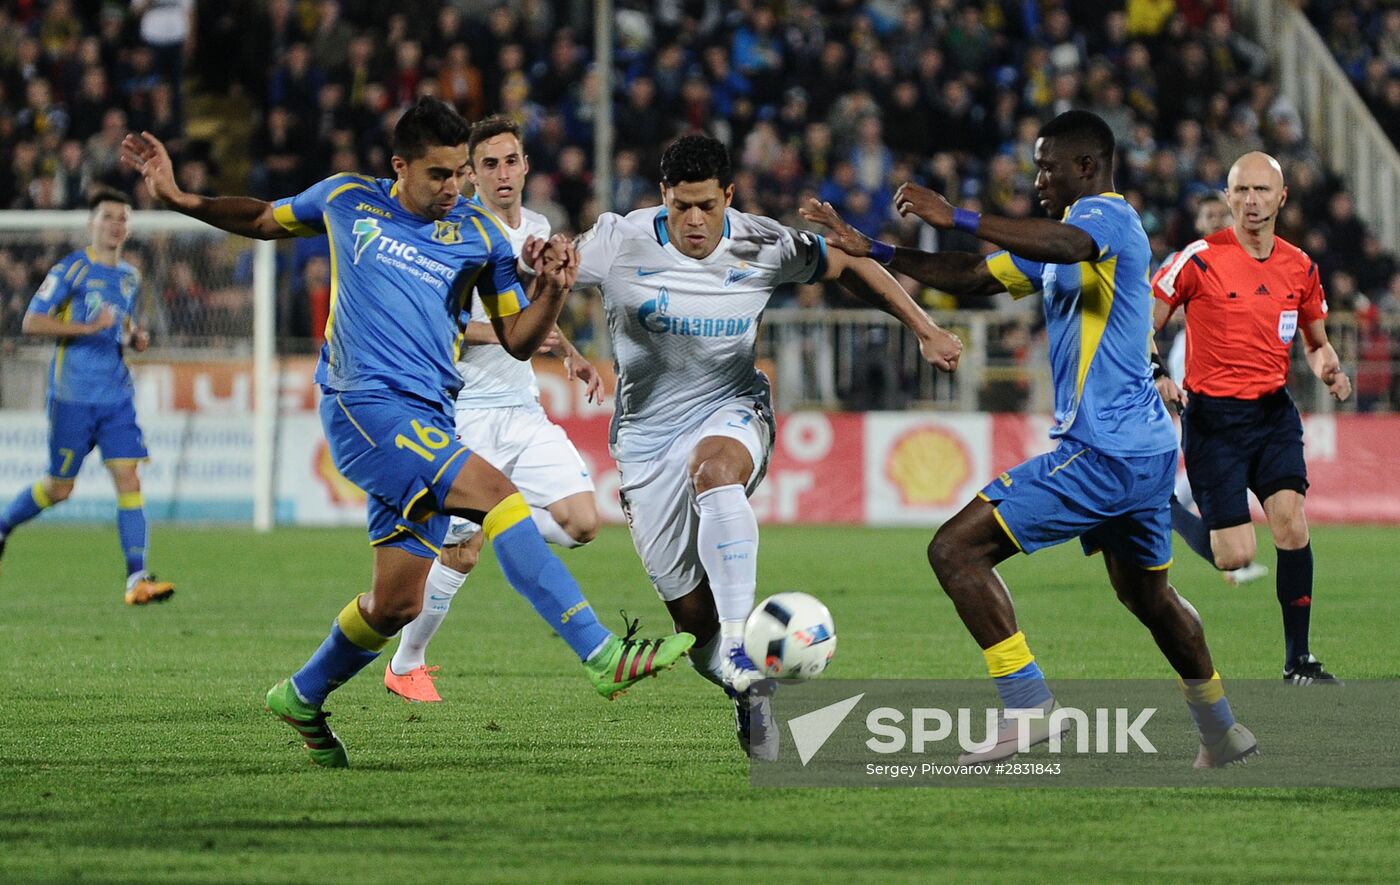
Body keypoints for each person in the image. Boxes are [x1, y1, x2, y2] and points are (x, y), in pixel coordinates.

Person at [119, 98, 694, 769]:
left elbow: (516, 338)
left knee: (395, 602)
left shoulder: (478, 233)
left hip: (428, 417)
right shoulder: (347, 200)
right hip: (363, 406)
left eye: (459, 173)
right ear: (399, 167)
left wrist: (556, 293)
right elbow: (259, 217)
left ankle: (300, 695)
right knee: (498, 494)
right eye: (439, 175)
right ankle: (601, 653)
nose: (453, 187)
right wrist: (179, 196)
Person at [804, 110, 1256, 768]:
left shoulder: (1107, 219)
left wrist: (954, 212)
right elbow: (975, 276)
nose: (1037, 177)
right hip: (1143, 451)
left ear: (1085, 167)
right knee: (1148, 595)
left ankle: (1028, 708)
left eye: (1047, 166)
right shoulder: (1059, 242)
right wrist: (873, 249)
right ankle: (1220, 727)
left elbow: (1066, 245)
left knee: (955, 550)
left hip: (1104, 450)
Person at [571, 134, 963, 758]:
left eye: (706, 205)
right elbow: (539, 278)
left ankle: (738, 639)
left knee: (715, 472)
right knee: (690, 626)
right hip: (644, 445)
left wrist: (925, 327)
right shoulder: (618, 240)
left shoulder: (762, 241)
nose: (694, 221)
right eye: (680, 207)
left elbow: (852, 263)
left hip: (732, 408)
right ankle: (743, 685)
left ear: (728, 196)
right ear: (662, 199)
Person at [385, 114, 605, 703]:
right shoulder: (454, 232)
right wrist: (504, 333)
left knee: (583, 523)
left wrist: (570, 351)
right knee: (460, 551)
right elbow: (442, 328)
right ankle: (407, 663)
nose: (502, 174)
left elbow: (532, 317)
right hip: (466, 409)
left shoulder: (537, 227)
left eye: (511, 161)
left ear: (527, 165)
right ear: (469, 173)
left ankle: (494, 518)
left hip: (523, 406)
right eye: (488, 165)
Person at [1151, 151, 1351, 685]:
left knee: (1291, 525)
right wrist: (1155, 370)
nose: (1251, 201)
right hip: (1213, 418)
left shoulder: (1301, 267)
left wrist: (1327, 365)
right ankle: (1163, 507)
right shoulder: (1197, 259)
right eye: (1241, 191)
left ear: (1281, 198)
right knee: (1234, 557)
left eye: (1262, 191)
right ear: (1228, 197)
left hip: (1272, 412)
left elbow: (1315, 342)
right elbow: (1141, 320)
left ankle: (1299, 660)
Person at [0, 189, 175, 607]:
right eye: (108, 217)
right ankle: (3, 525)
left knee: (129, 479)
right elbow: (32, 322)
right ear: (91, 224)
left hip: (116, 396)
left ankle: (137, 578)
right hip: (72, 395)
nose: (116, 224)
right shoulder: (72, 270)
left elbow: (123, 327)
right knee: (60, 488)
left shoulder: (130, 277)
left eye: (122, 218)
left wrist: (135, 338)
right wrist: (87, 328)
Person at [1155, 193, 1268, 586]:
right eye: (1210, 215)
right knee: (1224, 461)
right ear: (1199, 222)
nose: (1219, 220)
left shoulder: (1247, 256)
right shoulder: (1191, 259)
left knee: (1221, 466)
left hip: (1231, 364)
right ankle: (1176, 516)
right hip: (1197, 354)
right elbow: (1163, 309)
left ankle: (1164, 510)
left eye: (1224, 213)